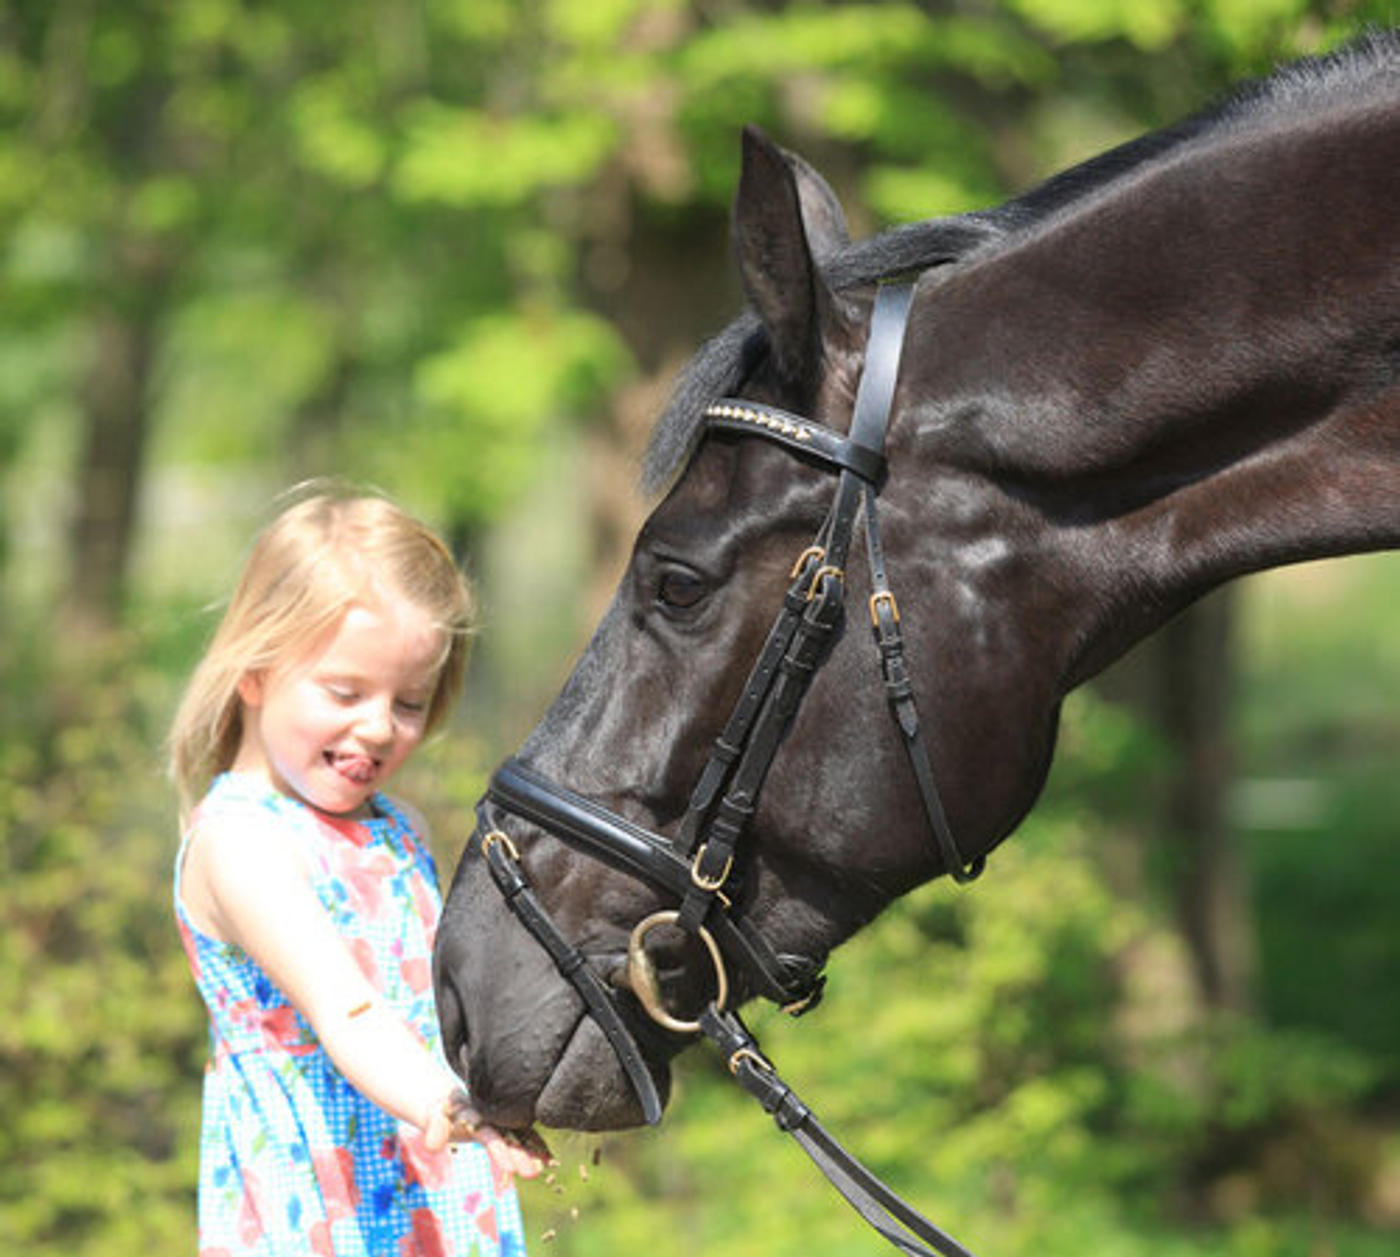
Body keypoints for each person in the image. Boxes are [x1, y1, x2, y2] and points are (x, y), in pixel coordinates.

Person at [169, 486, 544, 1257]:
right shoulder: (238, 840)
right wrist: (448, 1099)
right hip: (315, 1212)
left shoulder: (396, 828)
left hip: (430, 1190)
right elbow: (347, 1012)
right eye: (345, 691)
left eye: (409, 702)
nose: (378, 725)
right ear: (256, 669)